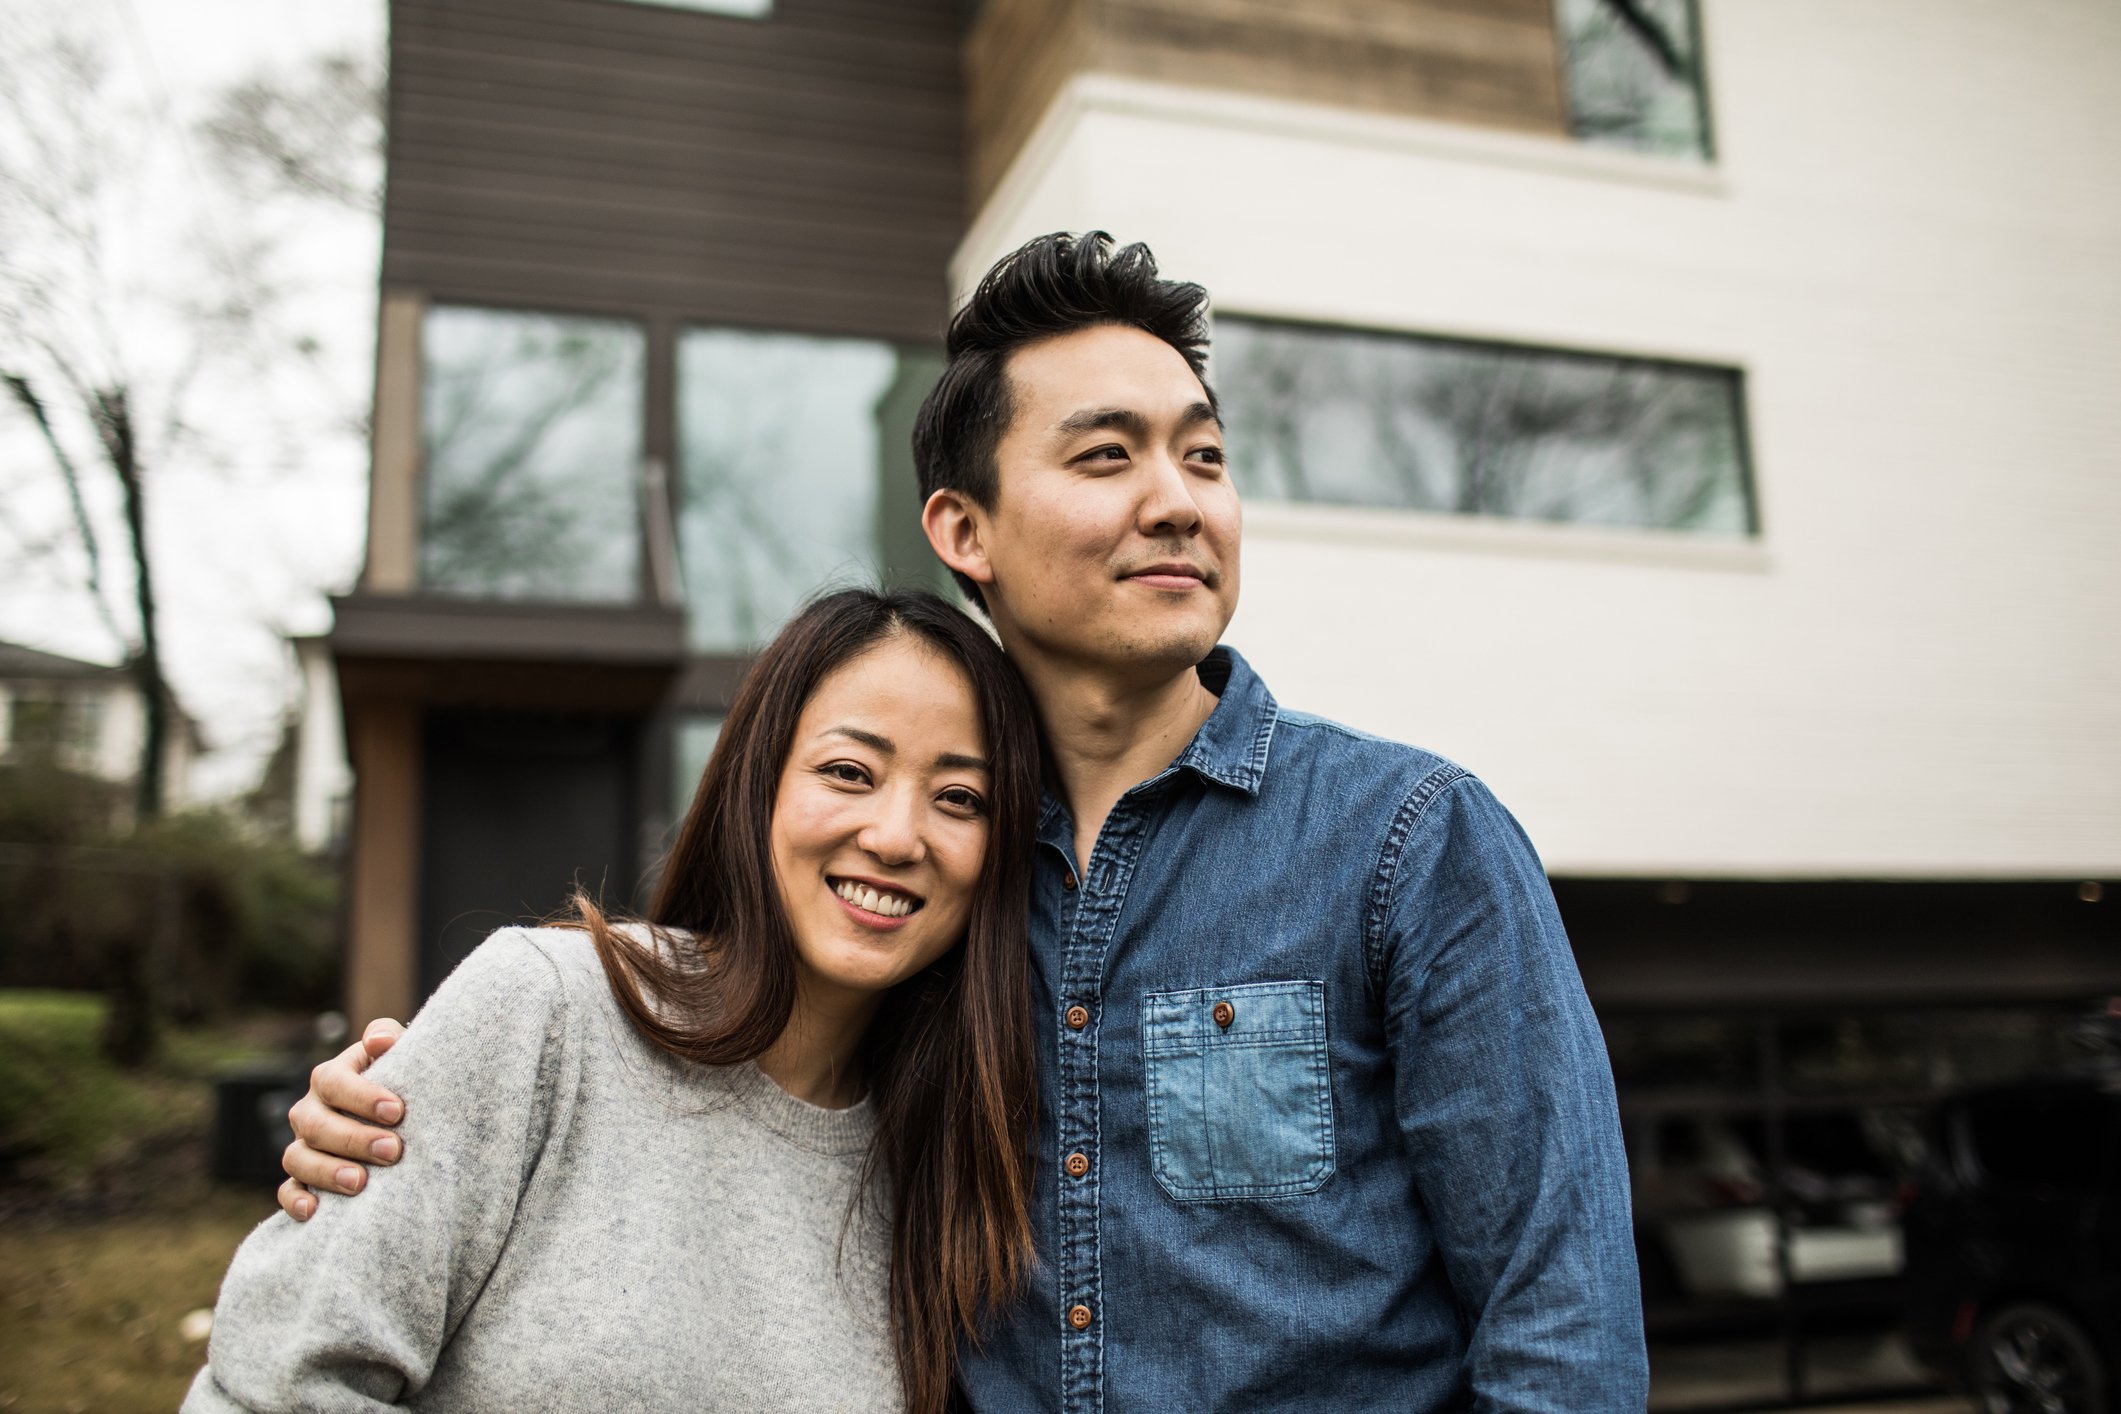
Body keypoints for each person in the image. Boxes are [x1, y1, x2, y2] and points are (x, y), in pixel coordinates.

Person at [283, 233, 1650, 1410]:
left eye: (1206, 456)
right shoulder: (923, 885)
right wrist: (393, 1126)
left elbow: (1561, 1327)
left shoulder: (1409, 841)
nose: (1176, 498)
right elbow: (724, 1084)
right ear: (963, 527)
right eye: (1105, 455)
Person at [190, 589, 1042, 1413]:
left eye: (960, 798)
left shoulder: (954, 1161)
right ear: (758, 787)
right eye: (849, 771)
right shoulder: (547, 1012)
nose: (896, 837)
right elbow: (275, 1386)